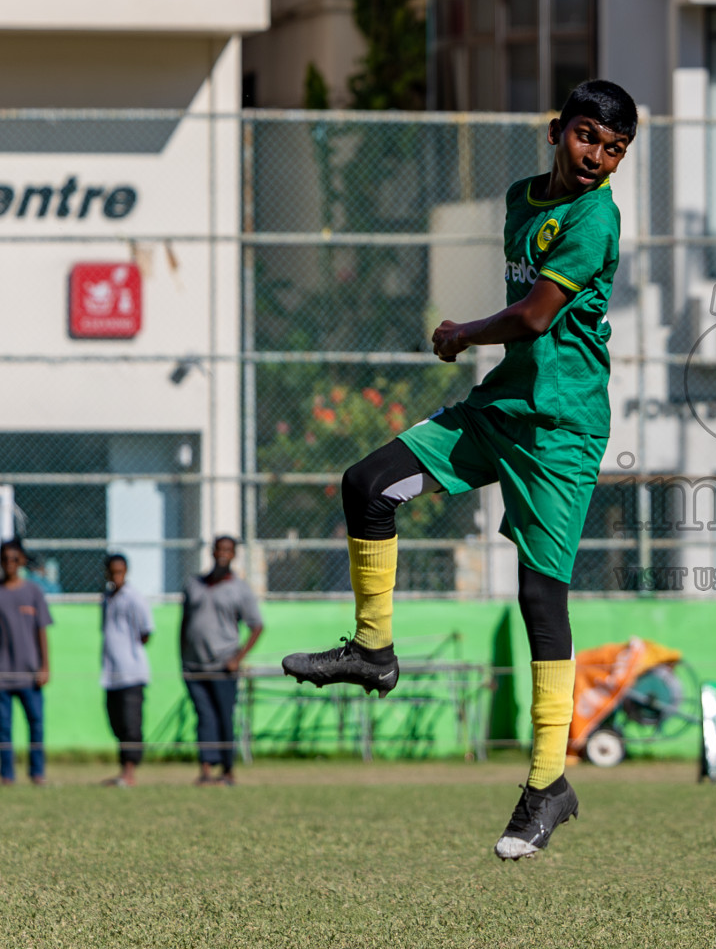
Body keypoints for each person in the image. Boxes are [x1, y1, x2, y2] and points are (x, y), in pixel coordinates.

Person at [281, 80, 637, 861]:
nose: (599, 157)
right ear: (556, 131)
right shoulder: (520, 199)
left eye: (615, 149)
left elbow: (537, 315)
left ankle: (549, 783)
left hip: (559, 430)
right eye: (587, 137)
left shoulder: (596, 216)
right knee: (366, 485)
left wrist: (462, 333)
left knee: (540, 596)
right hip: (497, 410)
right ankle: (374, 653)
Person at [181, 536, 263, 786]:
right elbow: (184, 625)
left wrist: (238, 658)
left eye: (228, 550)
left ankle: (227, 771)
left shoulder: (240, 589)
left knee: (224, 717)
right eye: (220, 549)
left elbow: (256, 626)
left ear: (234, 554)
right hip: (195, 665)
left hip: (223, 665)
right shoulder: (193, 584)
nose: (223, 554)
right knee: (203, 717)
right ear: (212, 552)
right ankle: (205, 770)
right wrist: (182, 659)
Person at [0, 539, 52, 786]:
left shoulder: (33, 591)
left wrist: (45, 666)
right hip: (3, 674)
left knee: (36, 724)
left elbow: (42, 630)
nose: (10, 564)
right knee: (3, 728)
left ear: (21, 560)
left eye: (14, 558)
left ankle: (37, 772)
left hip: (30, 673)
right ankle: (7, 774)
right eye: (5, 559)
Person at [101, 553, 155, 787]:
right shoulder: (106, 598)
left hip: (132, 672)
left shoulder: (134, 598)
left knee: (132, 724)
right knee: (117, 724)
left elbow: (146, 632)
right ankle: (123, 770)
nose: (116, 577)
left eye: (120, 572)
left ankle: (130, 772)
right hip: (111, 673)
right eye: (112, 572)